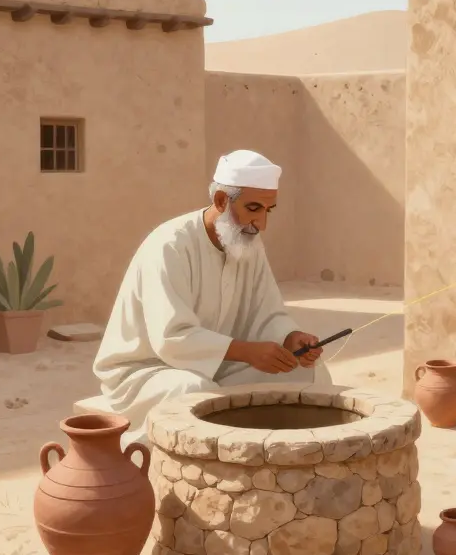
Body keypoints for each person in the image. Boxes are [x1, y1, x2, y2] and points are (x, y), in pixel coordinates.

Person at [93, 150, 330, 448]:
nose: (261, 223)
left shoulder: (248, 243)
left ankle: (288, 461)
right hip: (145, 372)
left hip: (219, 366)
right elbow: (171, 338)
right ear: (221, 200)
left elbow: (266, 312)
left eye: (268, 211)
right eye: (253, 208)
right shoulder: (170, 245)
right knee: (194, 392)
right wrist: (247, 352)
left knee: (303, 372)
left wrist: (291, 338)